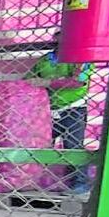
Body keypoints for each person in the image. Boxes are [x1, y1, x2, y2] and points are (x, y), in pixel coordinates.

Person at [26, 50, 93, 194]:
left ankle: (79, 183)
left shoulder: (80, 57)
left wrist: (47, 82)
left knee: (73, 146)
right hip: (48, 108)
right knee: (41, 144)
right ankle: (38, 181)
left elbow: (78, 81)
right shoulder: (46, 59)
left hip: (73, 107)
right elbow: (29, 79)